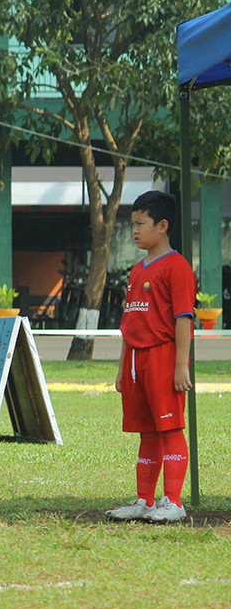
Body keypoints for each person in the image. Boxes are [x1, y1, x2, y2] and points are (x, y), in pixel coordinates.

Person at [106, 190, 195, 523]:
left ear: (163, 226)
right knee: (147, 431)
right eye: (132, 224)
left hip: (162, 357)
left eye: (141, 223)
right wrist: (121, 369)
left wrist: (180, 365)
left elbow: (183, 319)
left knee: (170, 428)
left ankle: (173, 501)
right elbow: (130, 324)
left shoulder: (177, 267)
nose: (135, 231)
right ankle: (144, 500)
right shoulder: (135, 272)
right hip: (134, 361)